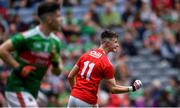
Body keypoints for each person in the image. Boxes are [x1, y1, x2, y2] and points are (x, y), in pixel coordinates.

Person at [0, 2, 63, 107]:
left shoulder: (55, 42)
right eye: (58, 16)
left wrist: (56, 63)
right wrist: (19, 68)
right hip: (17, 88)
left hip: (32, 90)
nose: (61, 19)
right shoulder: (28, 37)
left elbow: (57, 71)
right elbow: (2, 50)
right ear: (49, 19)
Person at [67, 30, 142, 107]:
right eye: (115, 42)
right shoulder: (106, 64)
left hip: (73, 98)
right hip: (86, 100)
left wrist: (76, 93)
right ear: (107, 43)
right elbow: (113, 89)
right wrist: (132, 88)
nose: (118, 45)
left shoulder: (85, 55)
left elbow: (70, 76)